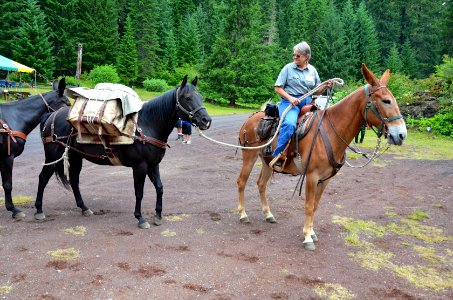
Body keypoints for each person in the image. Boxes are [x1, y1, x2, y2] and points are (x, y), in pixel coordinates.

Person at [270, 41, 332, 169]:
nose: (294, 57)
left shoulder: (313, 71)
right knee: (290, 124)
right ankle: (278, 156)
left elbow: (317, 91)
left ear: (306, 57)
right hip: (290, 104)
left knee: (322, 124)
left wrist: (325, 86)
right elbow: (278, 88)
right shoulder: (288, 68)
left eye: (298, 55)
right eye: (294, 55)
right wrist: (290, 98)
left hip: (308, 104)